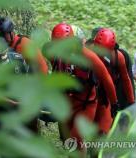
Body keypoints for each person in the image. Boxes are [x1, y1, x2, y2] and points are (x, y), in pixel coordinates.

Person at [49, 23, 118, 154]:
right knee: (69, 143)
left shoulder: (87, 55)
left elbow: (106, 78)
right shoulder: (57, 56)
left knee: (75, 142)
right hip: (68, 105)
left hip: (86, 105)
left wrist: (114, 103)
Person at [92, 28, 135, 134]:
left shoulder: (118, 57)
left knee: (103, 130)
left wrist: (131, 102)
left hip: (107, 94)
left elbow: (126, 80)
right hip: (91, 91)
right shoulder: (88, 53)